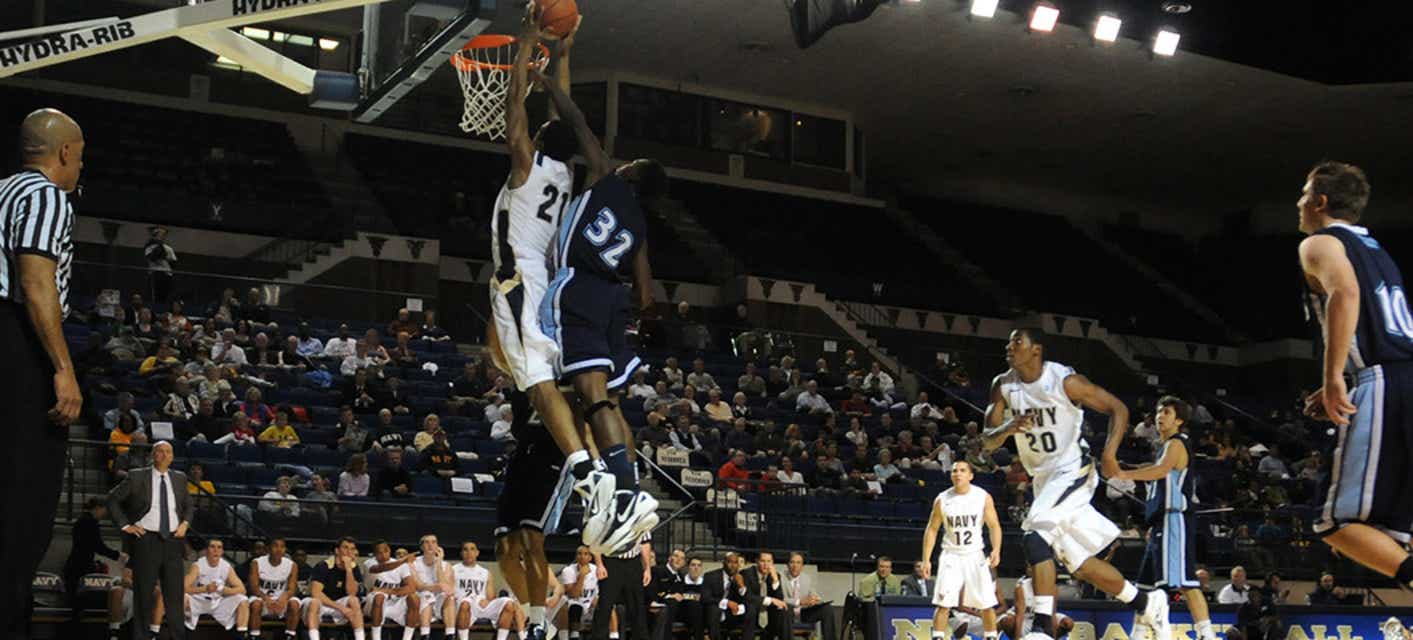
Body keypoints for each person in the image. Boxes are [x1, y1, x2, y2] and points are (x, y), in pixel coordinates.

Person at [535, 25, 668, 557]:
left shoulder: (610, 177)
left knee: (591, 397)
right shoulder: (639, 229)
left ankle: (625, 491)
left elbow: (578, 124)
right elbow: (645, 288)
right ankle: (628, 484)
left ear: (633, 174)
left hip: (583, 289)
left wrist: (550, 81)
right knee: (606, 399)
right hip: (615, 301)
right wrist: (651, 315)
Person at [981, 328, 1170, 639]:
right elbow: (987, 441)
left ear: (1036, 350)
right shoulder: (1003, 386)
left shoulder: (1065, 382)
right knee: (1079, 563)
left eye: (1018, 341)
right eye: (1009, 340)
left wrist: (1110, 453)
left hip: (1072, 470)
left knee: (1035, 537)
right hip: (1043, 479)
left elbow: (1118, 408)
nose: (1009, 346)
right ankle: (1147, 602)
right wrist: (1007, 428)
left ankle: (1042, 628)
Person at [1295, 162, 1413, 591]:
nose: (1299, 203)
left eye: (1304, 194)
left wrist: (1334, 378)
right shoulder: (1377, 250)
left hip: (1384, 383)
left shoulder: (1319, 243)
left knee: (1336, 522)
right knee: (1392, 530)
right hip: (1402, 377)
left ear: (1320, 202)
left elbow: (1345, 294)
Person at [0, 110, 85, 638]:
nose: (79, 166)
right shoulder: (47, 196)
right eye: (79, 155)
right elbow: (35, 282)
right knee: (25, 503)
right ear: (63, 154)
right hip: (16, 344)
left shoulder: (1, 191)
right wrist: (62, 367)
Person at [1112, 396, 1217, 640]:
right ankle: (1137, 634)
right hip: (1161, 522)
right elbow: (1156, 473)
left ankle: (1207, 634)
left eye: (1167, 412)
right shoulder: (1164, 447)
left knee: (1185, 581)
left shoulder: (1176, 444)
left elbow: (1160, 471)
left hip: (1174, 520)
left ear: (1179, 420)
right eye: (1159, 411)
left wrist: (1122, 473)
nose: (1160, 416)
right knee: (1144, 587)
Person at [106, 440, 192, 639]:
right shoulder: (137, 476)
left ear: (172, 456)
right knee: (144, 595)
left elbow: (189, 505)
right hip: (146, 540)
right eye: (159, 451)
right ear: (153, 455)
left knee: (174, 596)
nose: (163, 455)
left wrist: (185, 523)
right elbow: (112, 500)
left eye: (168, 451)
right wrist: (126, 525)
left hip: (173, 541)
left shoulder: (180, 478)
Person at [920, 460, 1001, 640]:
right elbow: (932, 529)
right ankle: (938, 637)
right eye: (954, 471)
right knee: (943, 604)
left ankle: (991, 636)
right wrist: (926, 559)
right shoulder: (942, 499)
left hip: (975, 554)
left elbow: (994, 525)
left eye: (962, 470)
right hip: (951, 555)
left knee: (986, 603)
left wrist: (996, 549)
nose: (957, 474)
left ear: (971, 475)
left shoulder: (982, 496)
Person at [65, 498, 127, 616]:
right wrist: (118, 555)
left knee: (75, 606)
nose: (105, 514)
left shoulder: (82, 520)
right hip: (80, 568)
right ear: (98, 508)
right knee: (79, 606)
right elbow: (98, 546)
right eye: (104, 510)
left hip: (75, 565)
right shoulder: (90, 522)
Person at [452, 541, 522, 640]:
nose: (469, 552)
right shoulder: (453, 570)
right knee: (465, 603)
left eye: (472, 549)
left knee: (509, 603)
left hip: (480, 605)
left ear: (477, 553)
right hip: (463, 606)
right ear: (461, 553)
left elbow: (491, 596)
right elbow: (449, 592)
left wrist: (488, 602)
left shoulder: (485, 572)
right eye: (465, 549)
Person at [183, 538, 251, 637]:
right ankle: (180, 634)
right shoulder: (198, 565)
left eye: (219, 547)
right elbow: (184, 588)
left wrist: (225, 590)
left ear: (222, 551)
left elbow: (242, 589)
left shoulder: (226, 566)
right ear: (206, 551)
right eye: (212, 547)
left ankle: (241, 635)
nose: (216, 550)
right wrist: (205, 589)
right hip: (198, 600)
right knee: (183, 597)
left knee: (243, 600)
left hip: (217, 602)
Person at [303, 537, 366, 640]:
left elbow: (352, 593)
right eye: (345, 548)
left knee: (354, 601)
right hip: (321, 604)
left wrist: (349, 570)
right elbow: (316, 593)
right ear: (337, 551)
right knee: (314, 602)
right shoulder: (324, 565)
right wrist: (341, 608)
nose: (349, 551)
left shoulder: (354, 567)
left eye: (352, 549)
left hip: (339, 604)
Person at [363, 540, 419, 640]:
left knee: (414, 598)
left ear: (389, 550)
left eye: (386, 550)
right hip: (373, 603)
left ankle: (407, 638)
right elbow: (382, 568)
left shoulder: (400, 564)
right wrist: (403, 560)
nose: (384, 554)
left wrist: (385, 591)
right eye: (380, 552)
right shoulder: (369, 563)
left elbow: (411, 588)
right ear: (375, 554)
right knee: (379, 596)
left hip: (394, 600)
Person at [248, 537, 301, 639]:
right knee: (256, 604)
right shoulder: (256, 563)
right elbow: (254, 587)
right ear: (268, 549)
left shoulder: (292, 565)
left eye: (282, 547)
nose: (279, 549)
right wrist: (266, 599)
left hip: (281, 601)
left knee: (294, 604)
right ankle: (254, 636)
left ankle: (290, 636)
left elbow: (292, 588)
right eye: (275, 546)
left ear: (285, 549)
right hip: (262, 599)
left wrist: (283, 599)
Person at [407, 535, 457, 640]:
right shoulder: (413, 563)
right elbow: (418, 586)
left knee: (450, 597)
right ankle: (425, 636)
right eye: (427, 542)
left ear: (438, 546)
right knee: (427, 595)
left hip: (439, 603)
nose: (430, 545)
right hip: (419, 601)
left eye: (434, 542)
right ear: (421, 547)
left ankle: (450, 635)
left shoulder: (446, 565)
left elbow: (447, 588)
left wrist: (438, 562)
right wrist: (435, 587)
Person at [781, 552, 835, 640]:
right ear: (787, 565)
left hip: (803, 613)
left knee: (827, 609)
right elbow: (779, 599)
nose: (795, 566)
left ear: (802, 566)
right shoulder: (780, 577)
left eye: (798, 563)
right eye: (792, 562)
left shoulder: (806, 578)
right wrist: (799, 601)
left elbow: (813, 593)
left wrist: (816, 599)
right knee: (785, 612)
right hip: (787, 613)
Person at [552, 546, 600, 640]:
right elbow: (573, 594)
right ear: (576, 556)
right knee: (572, 607)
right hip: (574, 603)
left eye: (586, 554)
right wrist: (581, 576)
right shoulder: (568, 570)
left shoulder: (597, 570)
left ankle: (614, 636)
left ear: (591, 557)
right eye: (580, 554)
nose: (582, 556)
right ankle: (571, 636)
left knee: (610, 607)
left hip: (591, 604)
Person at [704, 552, 749, 640]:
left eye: (735, 563)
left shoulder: (742, 577)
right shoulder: (710, 576)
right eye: (730, 562)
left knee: (750, 609)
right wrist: (727, 603)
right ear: (724, 563)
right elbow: (705, 598)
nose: (733, 565)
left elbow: (747, 599)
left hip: (732, 614)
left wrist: (741, 586)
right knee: (714, 609)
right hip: (714, 613)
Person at [144, 226, 177, 304]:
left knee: (165, 294)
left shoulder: (169, 248)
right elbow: (152, 258)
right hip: (155, 273)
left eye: (162, 235)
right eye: (158, 234)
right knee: (155, 295)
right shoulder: (149, 247)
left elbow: (173, 262)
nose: (160, 236)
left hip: (167, 274)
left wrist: (166, 258)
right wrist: (159, 247)